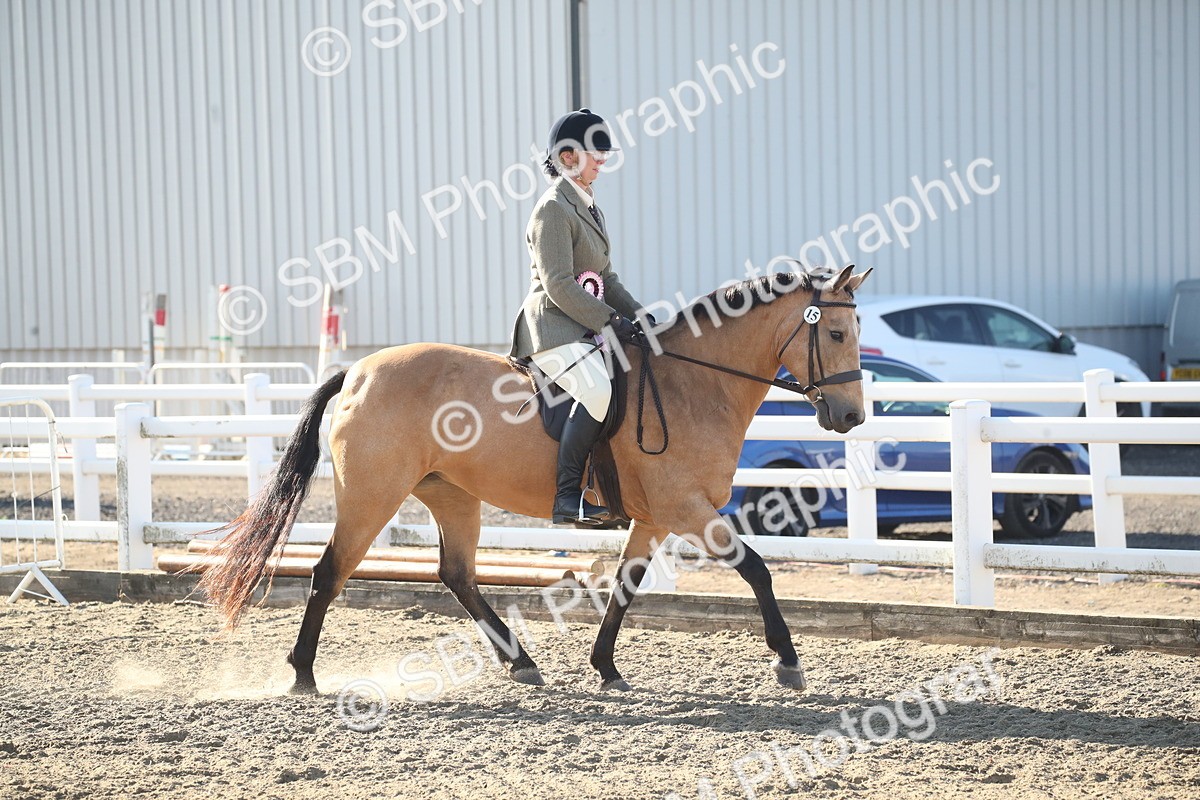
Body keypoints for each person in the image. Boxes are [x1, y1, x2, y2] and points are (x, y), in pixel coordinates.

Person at [508, 108, 648, 525]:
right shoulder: (552, 208)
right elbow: (558, 283)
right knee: (597, 390)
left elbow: (606, 278)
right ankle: (567, 496)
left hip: (582, 327)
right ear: (568, 157)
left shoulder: (589, 208)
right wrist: (609, 320)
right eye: (594, 153)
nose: (602, 160)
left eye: (604, 154)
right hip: (551, 327)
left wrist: (643, 318)